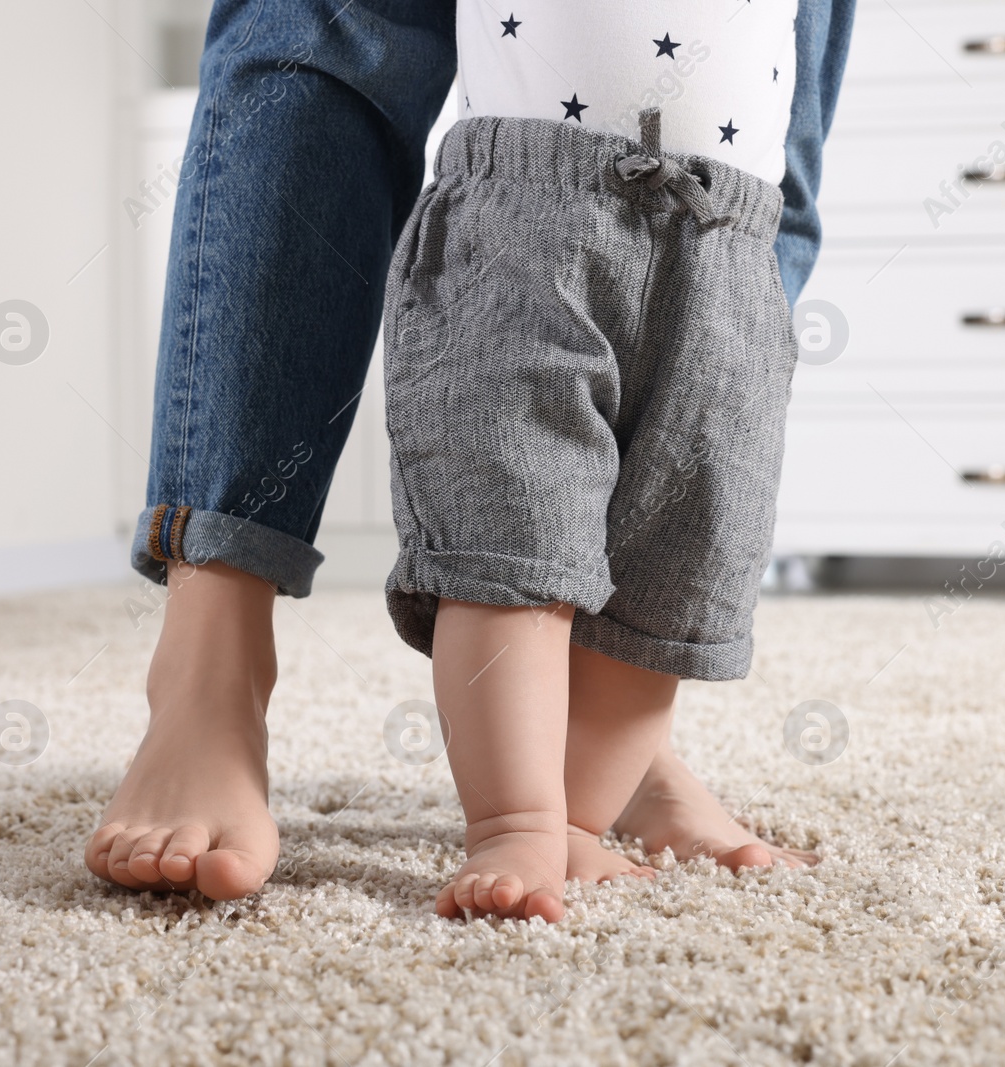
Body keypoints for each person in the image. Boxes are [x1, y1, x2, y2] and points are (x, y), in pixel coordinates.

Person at [85, 0, 854, 903]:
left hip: (728, 230)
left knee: (676, 564)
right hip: (529, 227)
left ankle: (592, 769)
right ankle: (217, 665)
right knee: (509, 532)